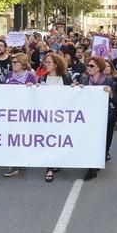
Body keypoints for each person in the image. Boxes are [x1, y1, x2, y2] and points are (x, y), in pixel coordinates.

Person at [79, 57, 116, 181]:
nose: (88, 68)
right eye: (88, 65)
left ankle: (97, 163)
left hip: (104, 115)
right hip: (88, 116)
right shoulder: (84, 79)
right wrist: (76, 89)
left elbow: (115, 100)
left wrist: (110, 92)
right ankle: (92, 168)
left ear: (99, 68)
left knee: (102, 140)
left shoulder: (108, 80)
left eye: (91, 66)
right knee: (90, 140)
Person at [39, 53, 71, 182]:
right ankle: (49, 168)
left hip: (62, 115)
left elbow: (72, 93)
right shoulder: (43, 78)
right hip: (47, 116)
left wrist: (77, 88)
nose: (45, 64)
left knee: (60, 139)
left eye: (48, 62)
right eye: (45, 62)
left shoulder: (65, 77)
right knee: (49, 140)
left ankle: (57, 161)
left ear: (56, 64)